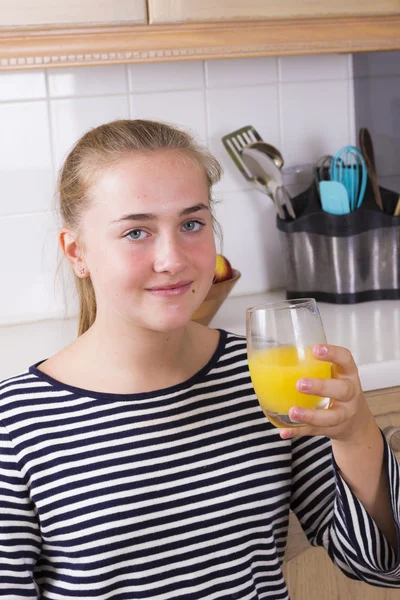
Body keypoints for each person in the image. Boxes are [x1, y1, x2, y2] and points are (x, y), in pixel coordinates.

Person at [0, 119, 399, 600]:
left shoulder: (259, 374)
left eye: (192, 224)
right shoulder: (15, 424)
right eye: (135, 232)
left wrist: (356, 434)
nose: (173, 259)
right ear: (77, 251)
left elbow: (379, 567)